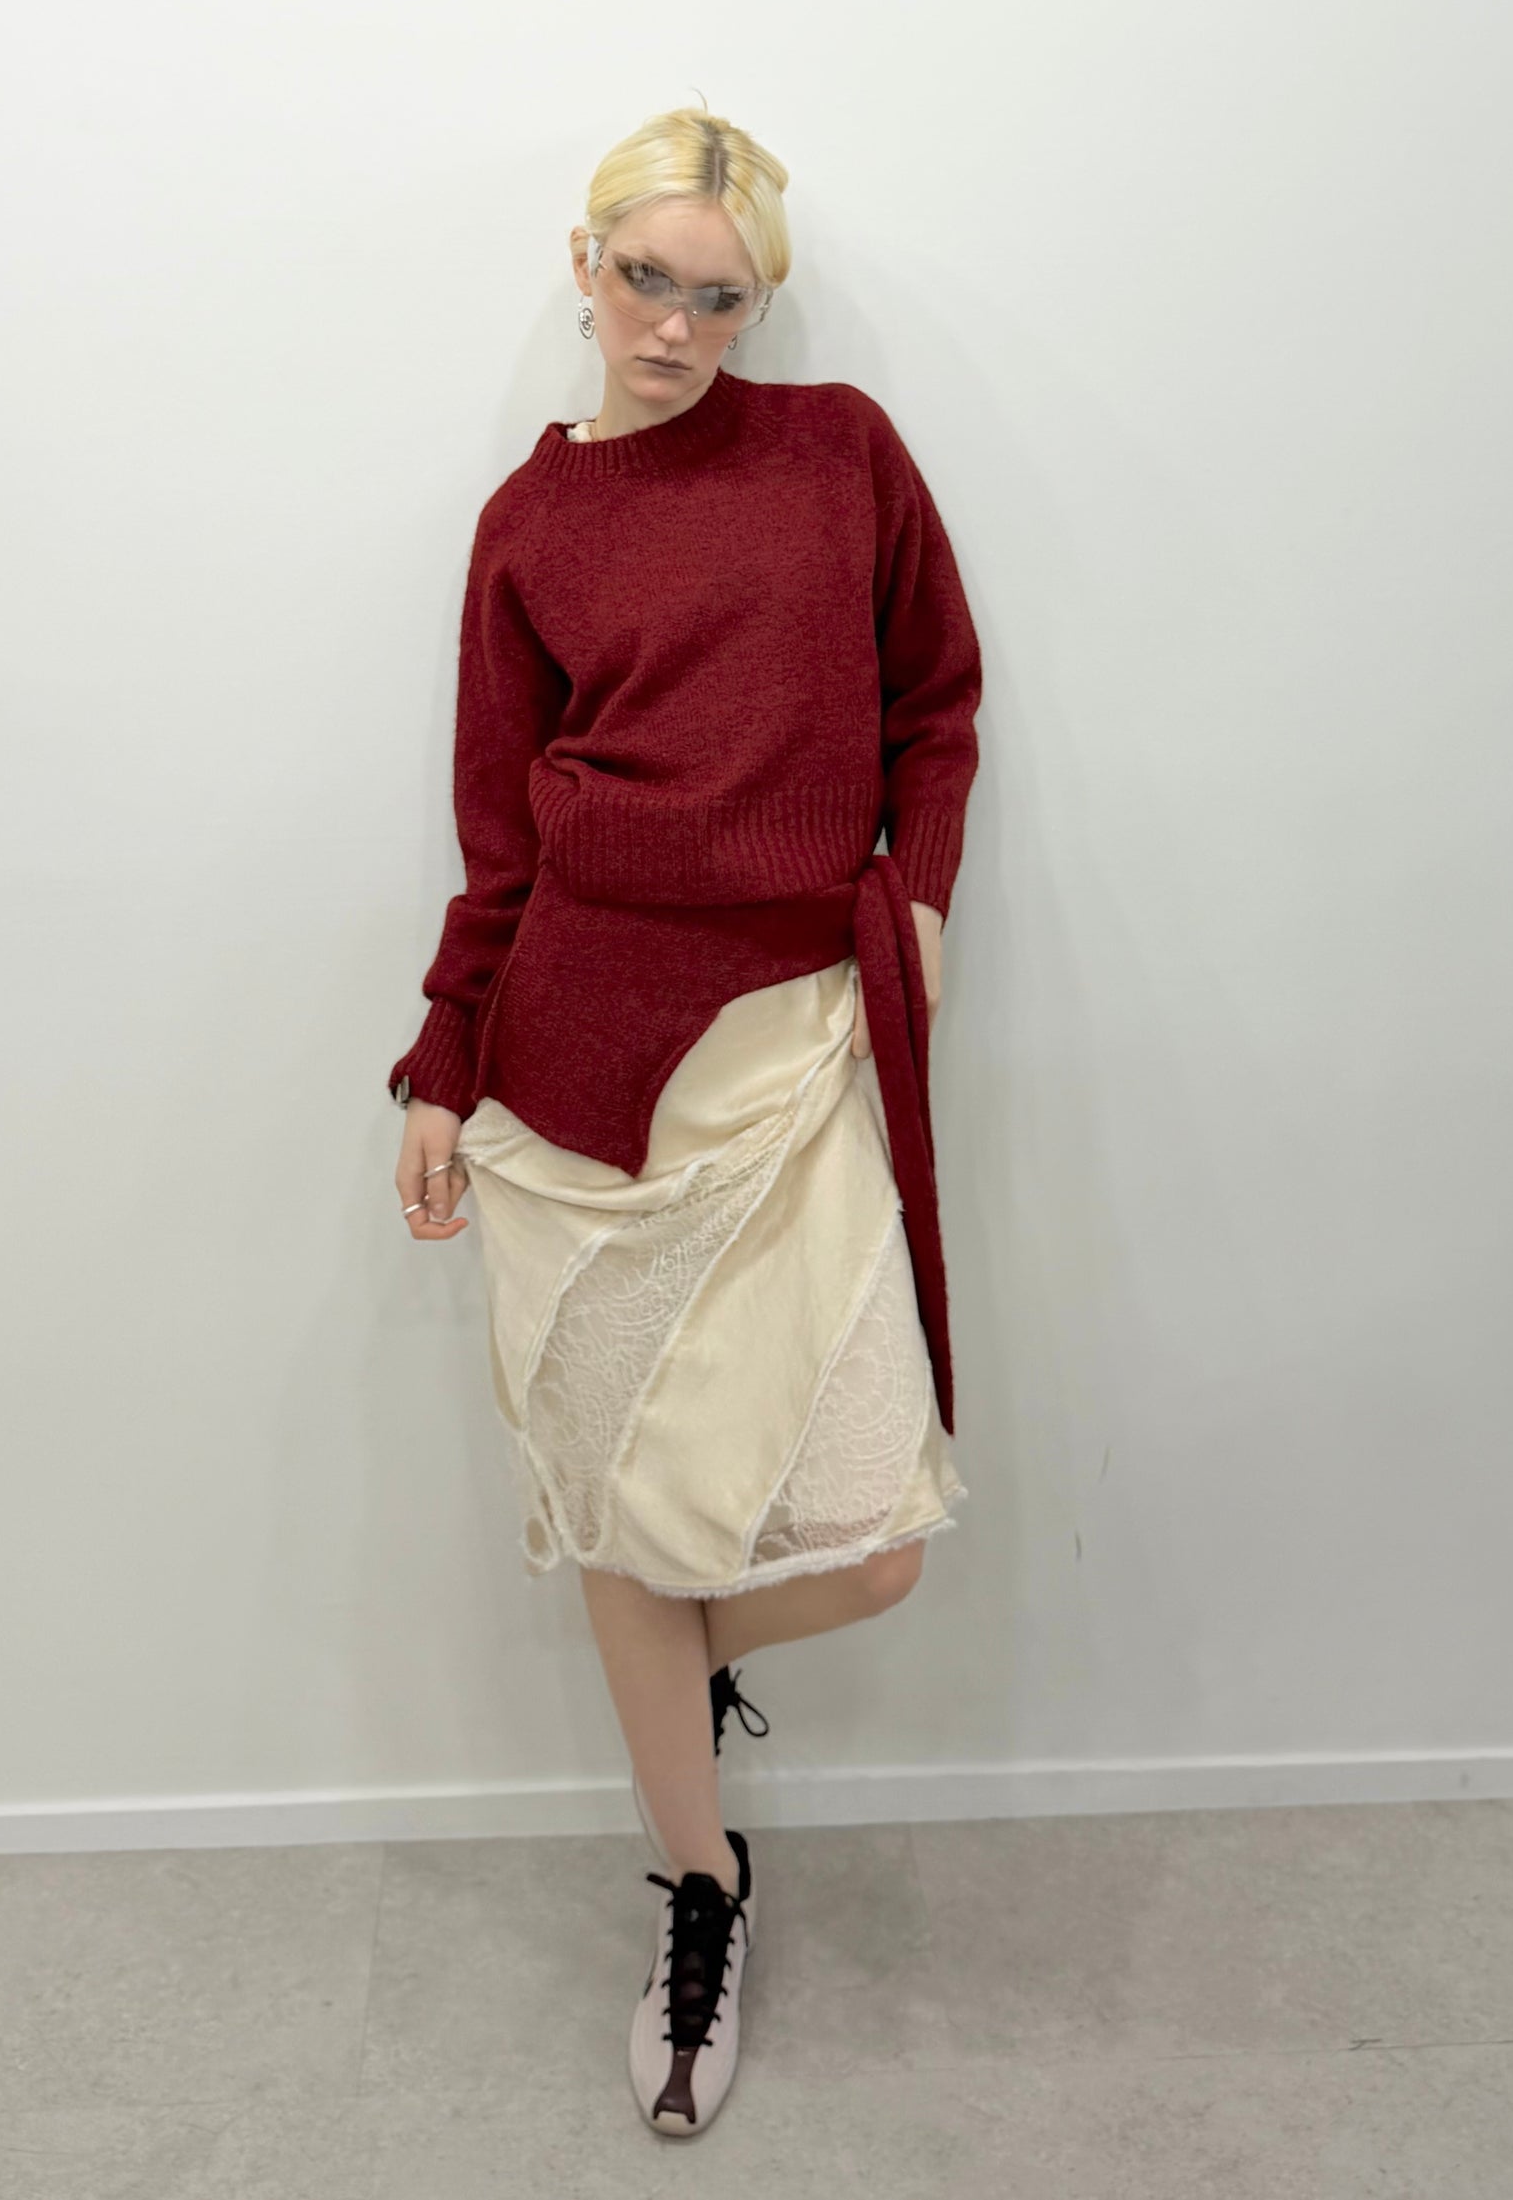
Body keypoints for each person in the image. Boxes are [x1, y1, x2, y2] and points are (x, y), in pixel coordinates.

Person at [388, 103, 983, 2136]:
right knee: (624, 1509)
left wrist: (917, 897)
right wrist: (444, 1057)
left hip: (796, 1043)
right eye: (645, 279)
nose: (676, 326)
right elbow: (498, 832)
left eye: (720, 298)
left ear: (759, 307)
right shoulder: (526, 526)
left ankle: (668, 1665)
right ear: (583, 265)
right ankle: (697, 1878)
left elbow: (932, 703)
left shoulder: (838, 453)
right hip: (574, 1065)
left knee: (872, 1542)